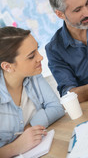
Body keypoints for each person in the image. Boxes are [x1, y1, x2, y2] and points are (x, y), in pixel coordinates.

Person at [0, 26, 65, 157]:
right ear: (7, 66)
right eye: (31, 56)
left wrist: (29, 129)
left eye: (37, 49)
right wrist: (16, 146)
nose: (40, 57)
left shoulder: (33, 74)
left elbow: (56, 108)